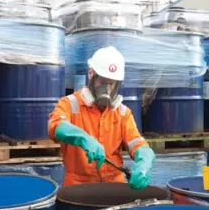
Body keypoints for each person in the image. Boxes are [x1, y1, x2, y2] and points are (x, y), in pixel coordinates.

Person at [48, 46, 155, 190]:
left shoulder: (122, 113)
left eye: (111, 84)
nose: (107, 89)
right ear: (91, 74)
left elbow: (137, 143)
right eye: (102, 82)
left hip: (114, 187)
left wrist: (144, 162)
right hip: (77, 189)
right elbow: (55, 125)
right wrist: (83, 138)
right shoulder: (70, 103)